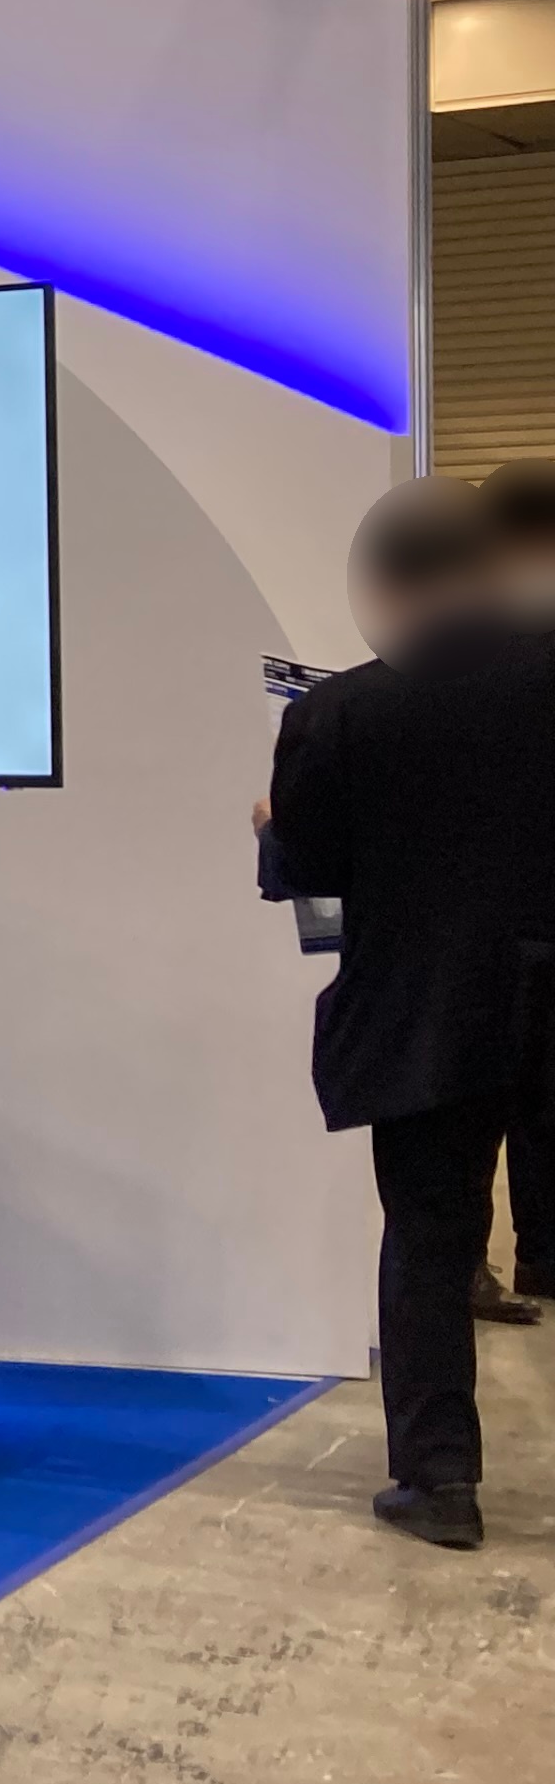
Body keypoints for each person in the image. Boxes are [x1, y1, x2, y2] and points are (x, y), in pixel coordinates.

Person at [264, 477, 555, 1553]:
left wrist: (275, 824)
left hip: (427, 1011)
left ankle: (442, 1484)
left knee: (429, 1240)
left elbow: (309, 868)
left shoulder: (341, 711)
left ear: (390, 583)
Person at [466, 455, 555, 1327]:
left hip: (477, 922)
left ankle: (521, 1256)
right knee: (506, 1101)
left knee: (496, 1101)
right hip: (496, 919)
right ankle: (523, 1256)